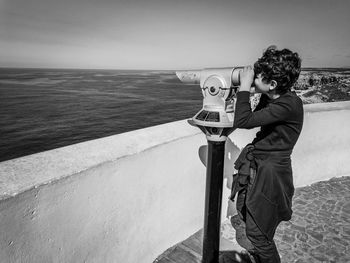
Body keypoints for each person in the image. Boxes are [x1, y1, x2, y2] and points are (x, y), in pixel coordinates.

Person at [231, 46, 304, 263]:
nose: (254, 77)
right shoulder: (277, 97)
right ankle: (261, 254)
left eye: (259, 75)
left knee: (258, 233)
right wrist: (256, 88)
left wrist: (244, 87)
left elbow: (243, 121)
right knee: (243, 209)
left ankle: (266, 255)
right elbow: (255, 117)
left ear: (273, 84)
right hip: (259, 164)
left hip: (268, 173)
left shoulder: (288, 105)